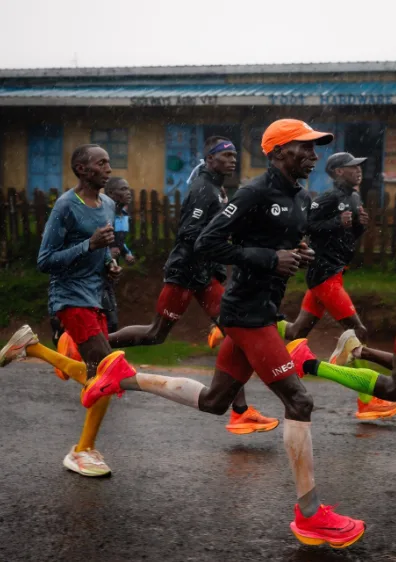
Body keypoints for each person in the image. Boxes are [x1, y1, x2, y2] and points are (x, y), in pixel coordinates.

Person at [78, 119, 366, 549]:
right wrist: (269, 258)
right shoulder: (252, 192)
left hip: (261, 308)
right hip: (246, 314)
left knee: (215, 402)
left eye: (315, 148)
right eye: (302, 148)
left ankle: (124, 377)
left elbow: (285, 244)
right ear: (276, 152)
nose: (312, 155)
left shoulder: (301, 198)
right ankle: (310, 515)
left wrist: (298, 253)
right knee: (300, 400)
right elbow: (205, 244)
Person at [287, 122, 396, 502]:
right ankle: (311, 364)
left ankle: (344, 353)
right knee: (395, 387)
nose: (358, 171)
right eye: (351, 167)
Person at [103, 136, 278, 435]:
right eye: (225, 155)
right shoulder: (203, 189)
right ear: (210, 160)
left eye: (235, 154)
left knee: (233, 329)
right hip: (186, 271)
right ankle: (91, 347)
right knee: (155, 334)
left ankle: (240, 412)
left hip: (205, 273)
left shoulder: (218, 189)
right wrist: (219, 250)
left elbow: (214, 232)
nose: (232, 159)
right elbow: (190, 233)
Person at [0, 144, 120, 477]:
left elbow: (101, 253)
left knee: (103, 375)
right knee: (106, 374)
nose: (108, 168)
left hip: (94, 296)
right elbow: (45, 261)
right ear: (83, 169)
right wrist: (89, 245)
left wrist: (109, 263)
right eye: (102, 163)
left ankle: (33, 347)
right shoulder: (67, 206)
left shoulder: (108, 203)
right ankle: (83, 451)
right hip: (68, 298)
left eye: (109, 162)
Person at [281, 152, 396, 420]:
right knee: (357, 330)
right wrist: (337, 222)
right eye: (351, 167)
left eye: (359, 166)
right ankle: (366, 400)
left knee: (297, 330)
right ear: (337, 172)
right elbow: (308, 225)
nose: (358, 170)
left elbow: (347, 235)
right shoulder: (328, 197)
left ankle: (247, 326)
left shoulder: (355, 197)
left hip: (333, 272)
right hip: (324, 273)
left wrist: (359, 227)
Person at [102, 177, 135, 333]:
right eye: (123, 189)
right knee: (107, 316)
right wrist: (107, 253)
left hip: (111, 270)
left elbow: (119, 241)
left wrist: (126, 253)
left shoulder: (124, 215)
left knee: (111, 320)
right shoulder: (101, 214)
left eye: (128, 189)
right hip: (96, 271)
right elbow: (91, 241)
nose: (128, 193)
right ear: (110, 193)